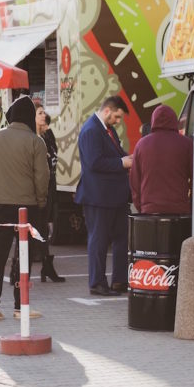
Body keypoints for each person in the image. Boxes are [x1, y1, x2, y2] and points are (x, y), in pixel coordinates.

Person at [0, 96, 49, 320]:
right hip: (26, 207)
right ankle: (20, 307)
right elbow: (42, 177)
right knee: (23, 256)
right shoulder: (36, 142)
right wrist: (41, 201)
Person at [75, 95, 132, 296]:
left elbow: (115, 153)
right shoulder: (91, 130)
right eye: (117, 117)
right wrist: (122, 163)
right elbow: (94, 162)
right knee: (98, 240)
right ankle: (97, 282)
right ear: (107, 110)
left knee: (121, 238)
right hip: (98, 196)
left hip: (115, 196)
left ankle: (119, 281)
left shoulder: (108, 129)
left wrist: (127, 157)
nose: (118, 121)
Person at [129, 104, 193, 215]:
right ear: (174, 121)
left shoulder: (141, 144)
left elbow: (134, 181)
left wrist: (142, 207)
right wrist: (189, 205)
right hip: (179, 209)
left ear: (153, 121)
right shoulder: (186, 144)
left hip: (149, 210)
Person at [34, 103, 64, 282]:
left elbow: (55, 156)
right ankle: (41, 264)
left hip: (50, 185)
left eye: (44, 112)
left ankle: (47, 265)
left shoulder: (47, 135)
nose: (43, 115)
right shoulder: (32, 138)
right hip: (38, 188)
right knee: (37, 227)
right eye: (39, 113)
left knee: (45, 226)